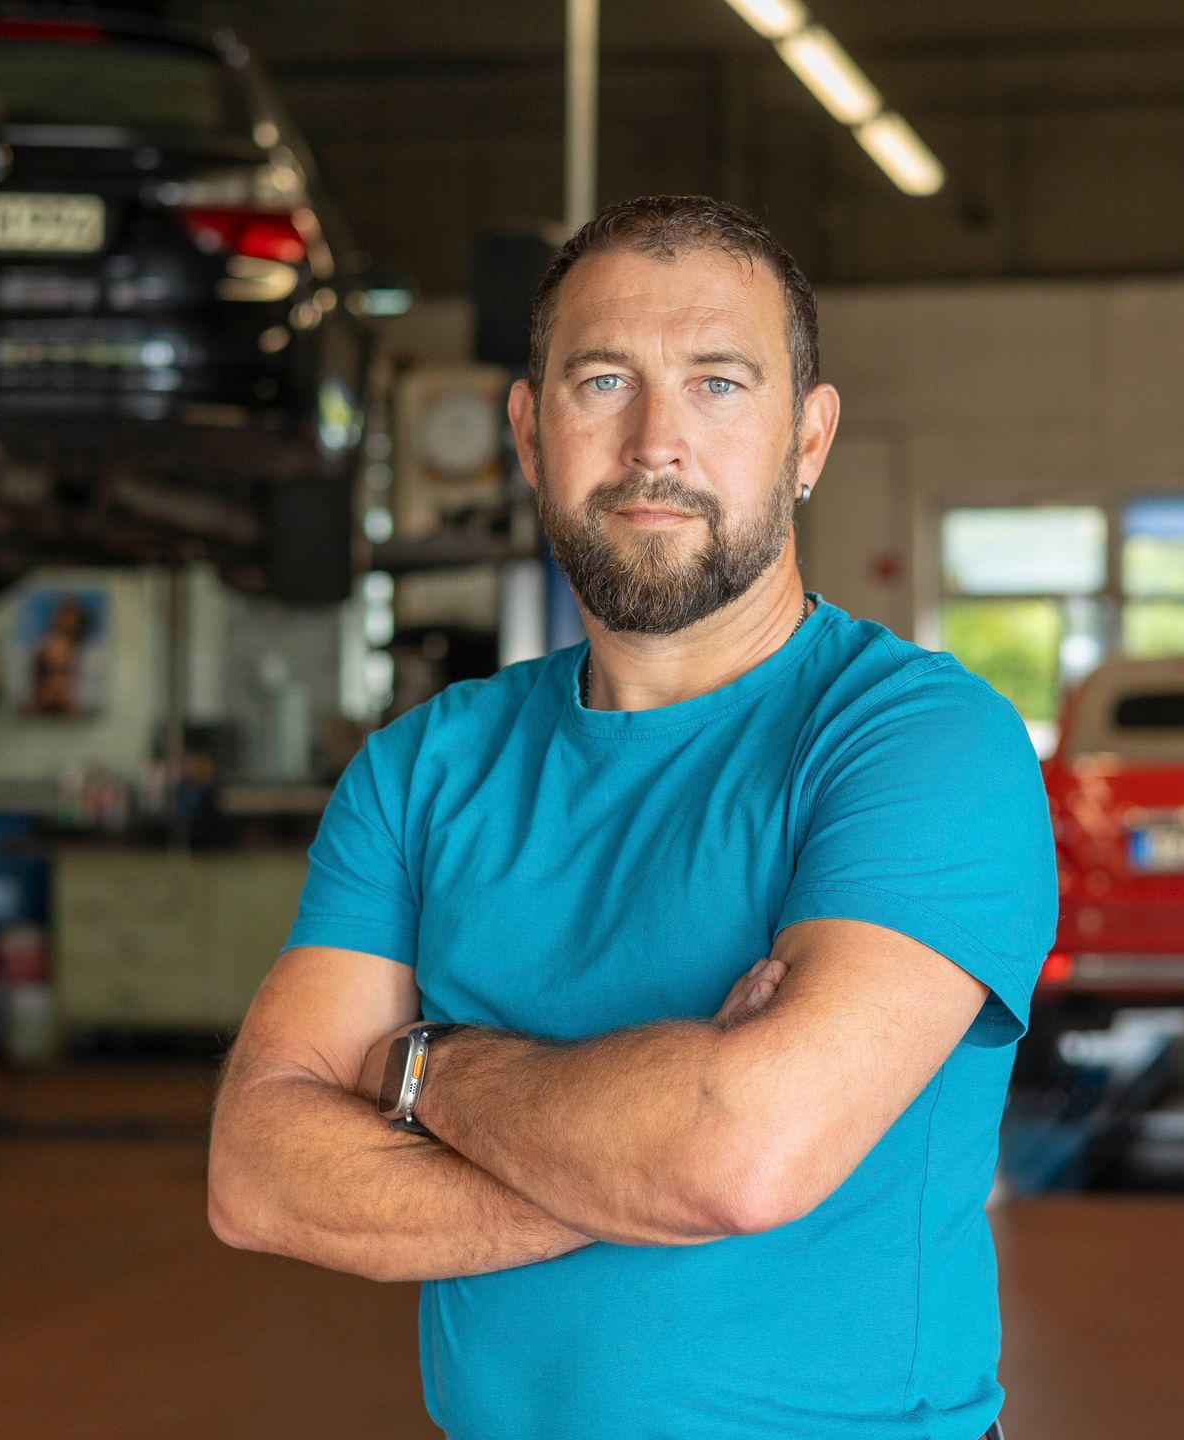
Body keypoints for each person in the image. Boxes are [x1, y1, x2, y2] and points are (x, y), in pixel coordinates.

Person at [208, 195, 1056, 1440]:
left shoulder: (918, 742)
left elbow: (737, 1156)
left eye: (719, 384)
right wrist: (641, 1159)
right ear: (529, 431)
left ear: (808, 439)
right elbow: (257, 1176)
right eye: (604, 380)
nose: (658, 441)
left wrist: (421, 1069)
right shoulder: (425, 768)